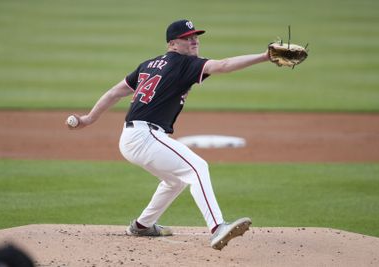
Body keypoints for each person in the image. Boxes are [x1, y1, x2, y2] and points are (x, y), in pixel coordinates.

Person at [67, 19, 270, 250]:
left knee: (174, 181)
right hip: (145, 136)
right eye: (188, 38)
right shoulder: (185, 64)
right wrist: (264, 56)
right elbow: (223, 65)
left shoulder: (149, 64)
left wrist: (88, 119)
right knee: (197, 167)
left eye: (196, 36)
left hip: (133, 137)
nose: (194, 41)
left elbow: (116, 92)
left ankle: (143, 225)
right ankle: (218, 228)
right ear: (173, 43)